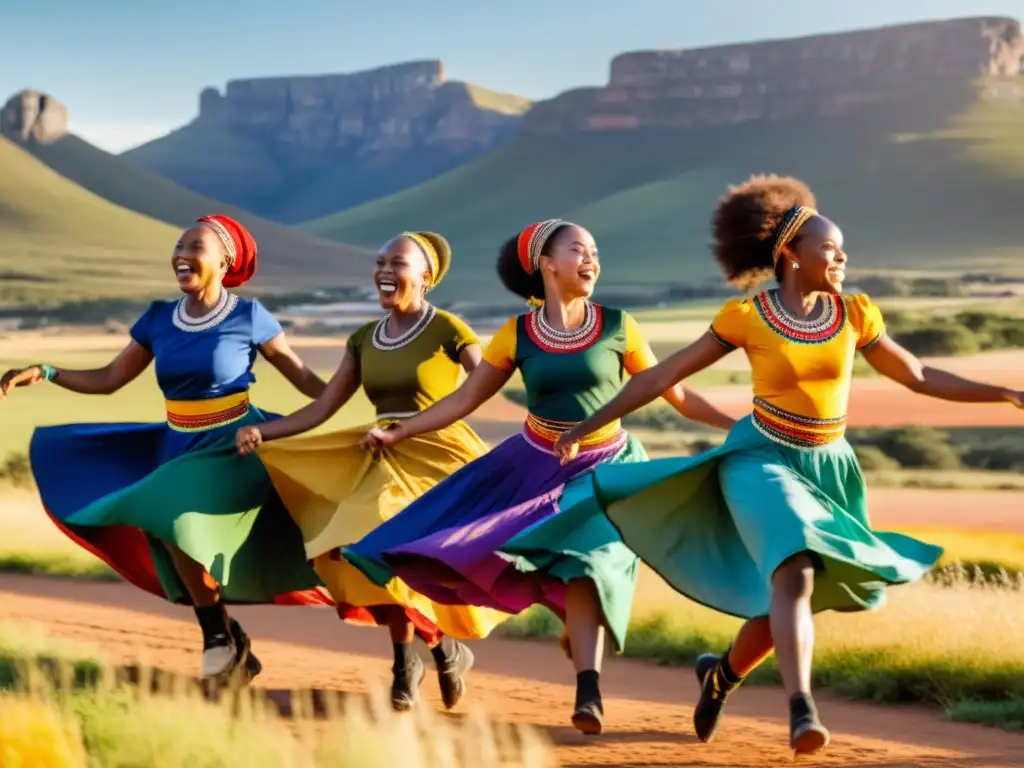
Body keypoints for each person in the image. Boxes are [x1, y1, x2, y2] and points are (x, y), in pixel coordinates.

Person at [550, 174, 1024, 756]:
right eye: (829, 247)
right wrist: (580, 428)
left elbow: (920, 376)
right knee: (795, 571)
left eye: (842, 247)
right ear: (791, 256)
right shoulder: (746, 317)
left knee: (789, 594)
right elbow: (660, 377)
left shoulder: (854, 315)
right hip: (760, 459)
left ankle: (719, 674)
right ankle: (802, 711)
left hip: (830, 468)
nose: (842, 256)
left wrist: (1003, 392)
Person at [339, 219, 736, 734]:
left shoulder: (619, 327)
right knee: (469, 544)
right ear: (547, 264)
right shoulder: (517, 334)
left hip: (606, 466)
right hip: (532, 464)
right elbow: (464, 399)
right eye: (579, 250)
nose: (592, 259)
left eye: (595, 250)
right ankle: (543, 647)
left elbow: (674, 392)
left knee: (587, 563)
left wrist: (738, 424)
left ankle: (588, 690)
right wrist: (401, 433)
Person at [0, 214, 330, 686]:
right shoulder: (158, 319)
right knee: (168, 529)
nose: (181, 255)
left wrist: (359, 391)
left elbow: (306, 379)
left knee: (173, 517)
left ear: (224, 260)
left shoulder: (249, 317)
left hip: (232, 445)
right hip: (177, 442)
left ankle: (218, 637)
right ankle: (226, 637)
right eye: (178, 246)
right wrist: (49, 372)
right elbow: (110, 380)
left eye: (195, 247)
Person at [234, 231, 508, 712]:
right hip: (383, 453)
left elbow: (485, 381)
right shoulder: (364, 339)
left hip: (440, 456)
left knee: (413, 560)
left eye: (397, 262)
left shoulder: (447, 328)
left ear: (425, 277)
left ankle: (441, 651)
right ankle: (414, 660)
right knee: (368, 550)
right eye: (380, 261)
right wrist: (267, 435)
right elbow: (323, 407)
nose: (385, 269)